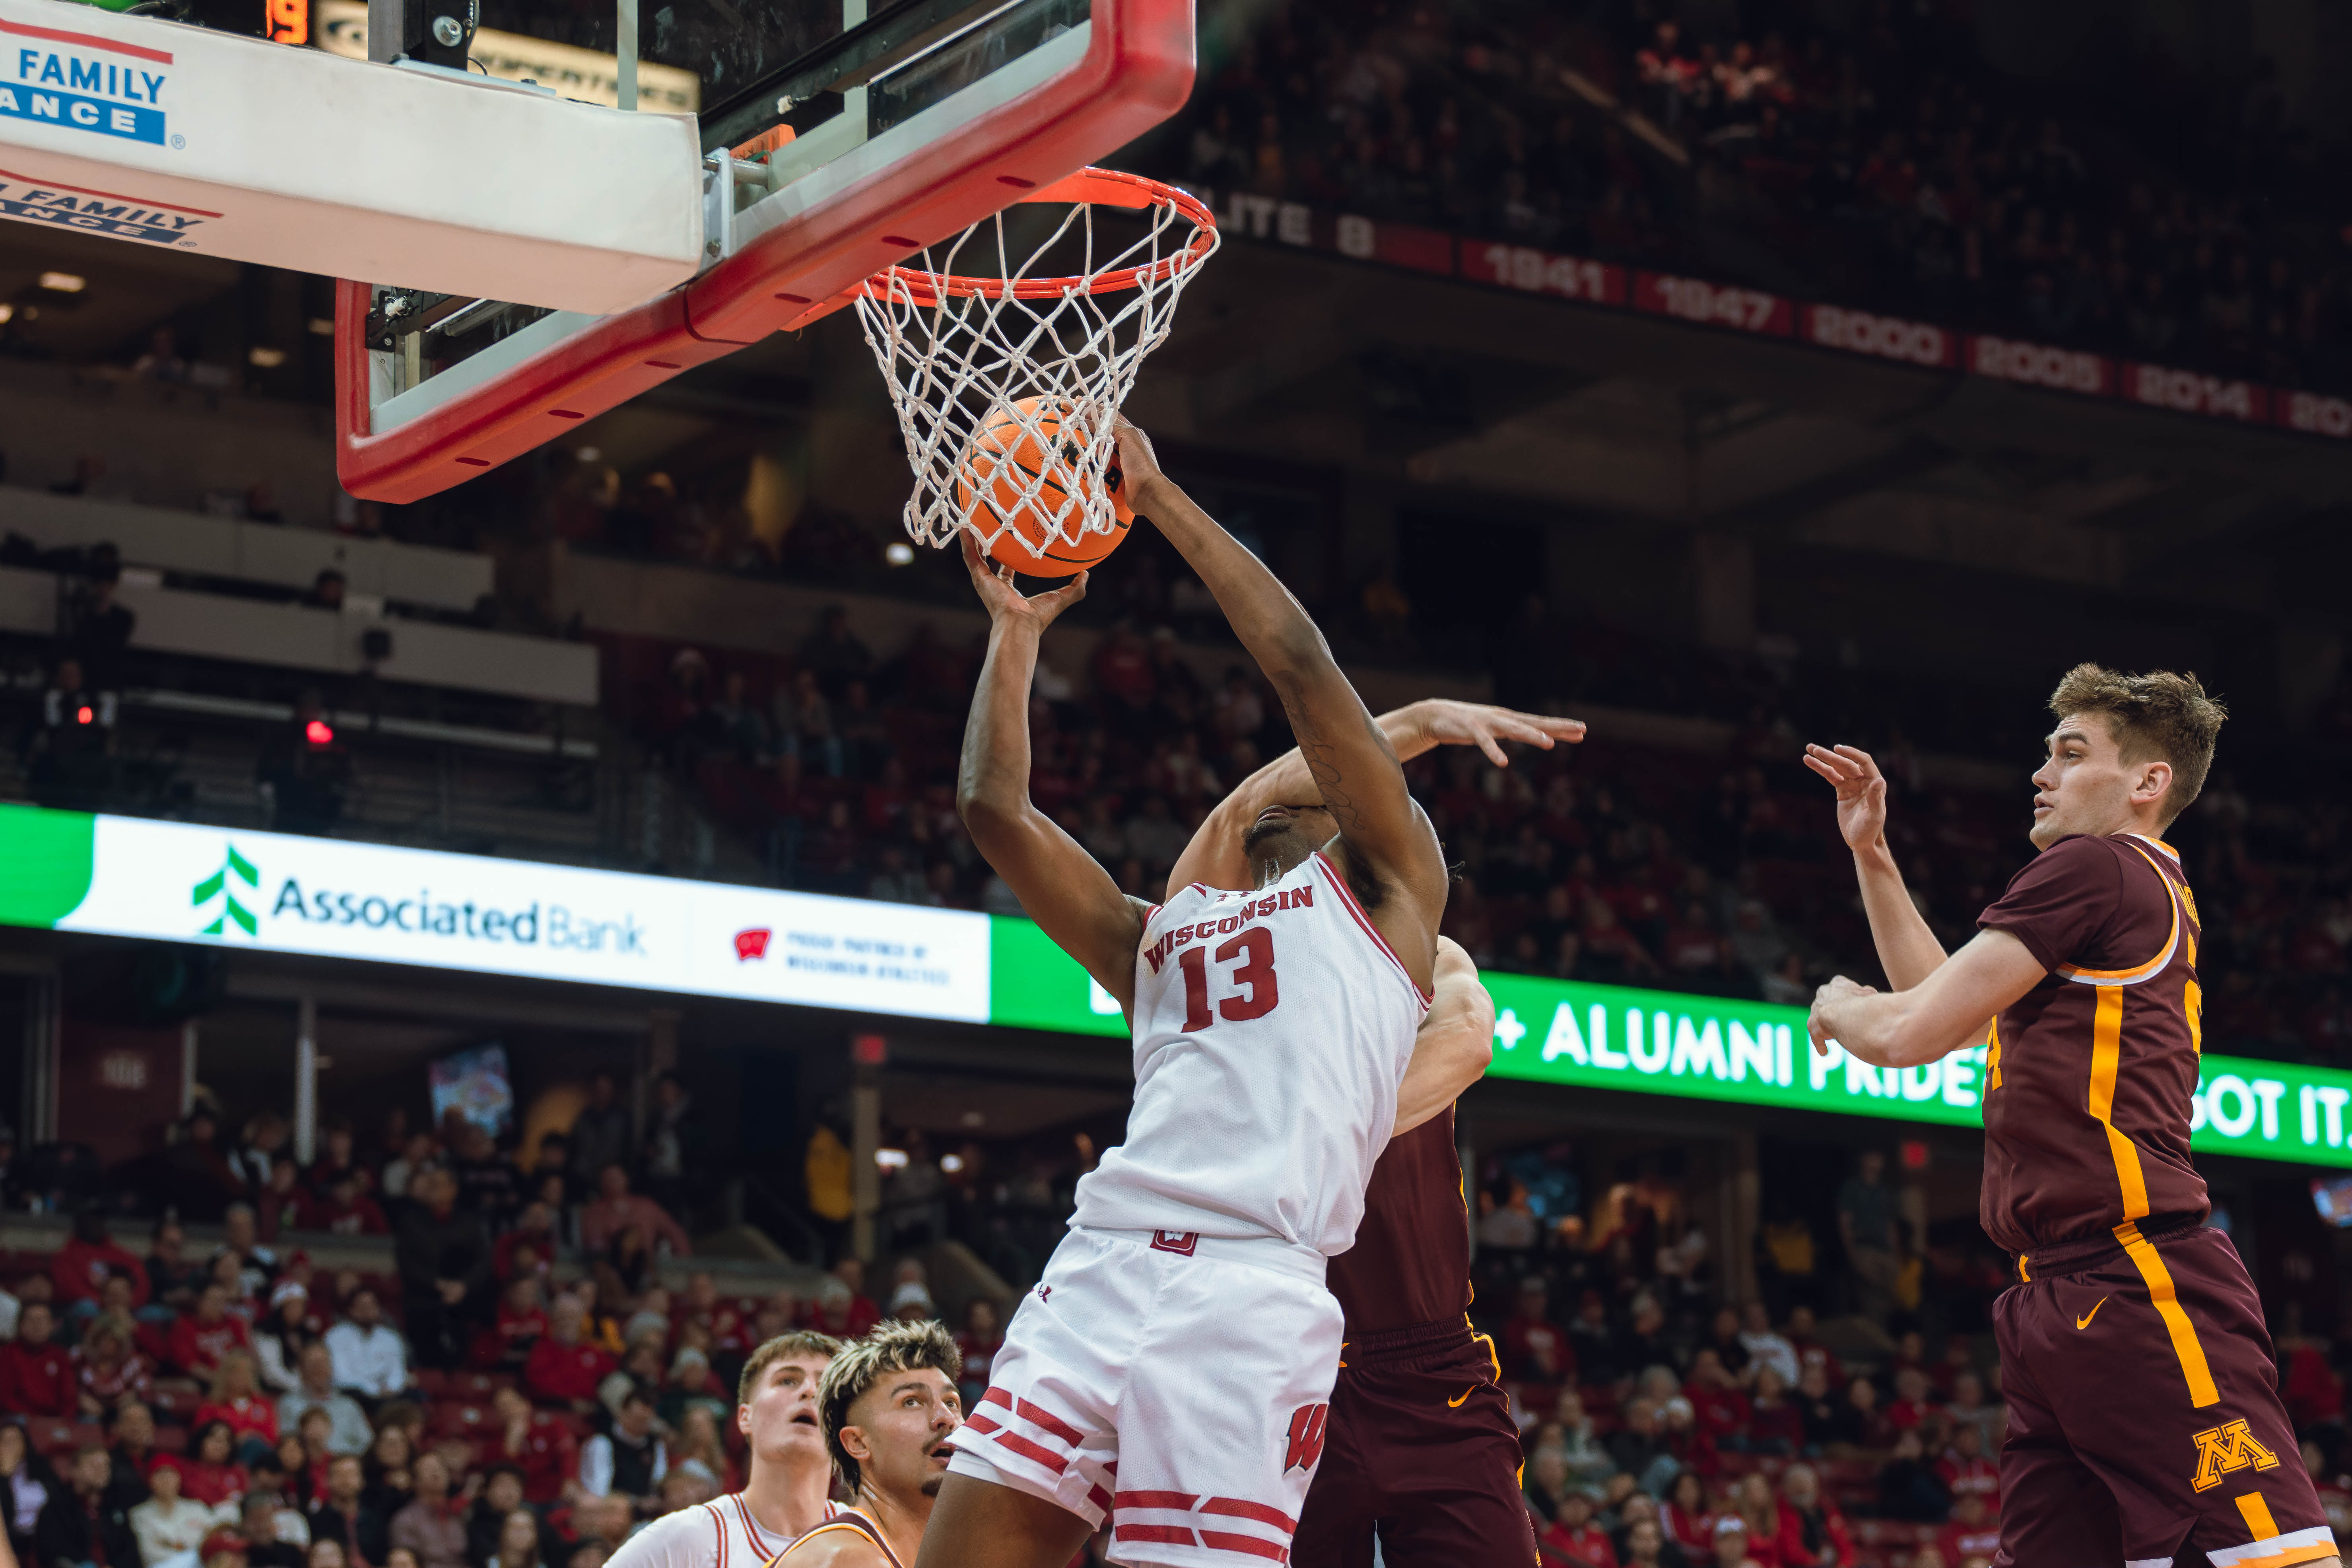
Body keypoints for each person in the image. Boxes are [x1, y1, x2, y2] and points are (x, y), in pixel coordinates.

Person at [928, 417, 1466, 1568]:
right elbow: (995, 811)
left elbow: (1300, 666)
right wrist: (1015, 634)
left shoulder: (1386, 891)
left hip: (1248, 1288)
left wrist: (1161, 503)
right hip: (1102, 1256)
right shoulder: (1158, 930)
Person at [1803, 666, 2338, 1568]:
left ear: (2148, 782)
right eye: (2047, 753)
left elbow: (1911, 1033)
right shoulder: (2126, 887)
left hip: (2138, 1277)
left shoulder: (2097, 866)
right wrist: (1874, 854)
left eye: (2071, 752)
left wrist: (1834, 1002)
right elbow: (1964, 1018)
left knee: (2271, 1557)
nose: (2041, 773)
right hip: (2054, 1296)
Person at [1163, 699, 1573, 1568]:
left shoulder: (1426, 954)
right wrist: (1418, 722)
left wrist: (1303, 1126)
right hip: (1279, 1352)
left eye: (1327, 823)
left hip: (1426, 1361)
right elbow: (1241, 807)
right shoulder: (1205, 951)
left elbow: (1465, 1044)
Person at [602, 1330, 845, 1568]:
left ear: (846, 1428)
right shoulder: (687, 1537)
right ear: (745, 1418)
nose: (810, 1391)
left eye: (825, 1385)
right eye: (787, 1380)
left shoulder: (873, 1541)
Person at [775, 1322, 962, 1568]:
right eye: (912, 1402)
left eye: (951, 1403)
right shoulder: (845, 1559)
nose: (945, 1419)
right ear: (858, 1443)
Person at [394, 1170, 490, 1373]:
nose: (432, 1191)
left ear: (453, 1190)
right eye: (430, 1185)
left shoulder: (469, 1222)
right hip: (424, 1301)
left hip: (463, 1302)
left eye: (438, 1185)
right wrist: (438, 1284)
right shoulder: (411, 1221)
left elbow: (482, 1261)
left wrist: (463, 1285)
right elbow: (406, 1264)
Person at [33, 1446, 138, 1568]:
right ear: (75, 1471)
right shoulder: (55, 1508)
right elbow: (52, 1556)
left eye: (106, 1465)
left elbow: (129, 1552)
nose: (102, 1470)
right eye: (94, 1465)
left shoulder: (116, 1505)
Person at [577, 1392, 666, 1514]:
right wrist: (636, 1502)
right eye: (638, 1419)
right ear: (623, 1413)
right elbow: (600, 1491)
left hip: (647, 1514)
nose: (642, 1425)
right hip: (609, 1512)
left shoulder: (656, 1444)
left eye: (647, 1420)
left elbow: (659, 1482)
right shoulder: (602, 1442)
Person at [277, 1347, 370, 1458]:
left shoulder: (349, 1406)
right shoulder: (289, 1404)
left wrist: (346, 1458)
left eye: (323, 1364)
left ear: (331, 1368)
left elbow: (366, 1443)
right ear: (302, 1370)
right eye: (313, 1365)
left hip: (344, 1465)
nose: (319, 1370)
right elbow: (287, 1444)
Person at [322, 1292, 408, 1404]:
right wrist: (375, 1390)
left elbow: (397, 1373)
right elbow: (341, 1377)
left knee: (416, 1397)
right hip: (354, 1394)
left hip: (388, 1395)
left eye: (372, 1306)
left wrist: (391, 1388)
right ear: (352, 1310)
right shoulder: (336, 1336)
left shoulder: (391, 1338)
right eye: (363, 1306)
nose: (368, 1311)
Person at [130, 1458, 214, 1568]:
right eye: (159, 1473)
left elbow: (212, 1541)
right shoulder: (139, 1515)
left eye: (171, 1473)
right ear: (150, 1480)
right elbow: (149, 1555)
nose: (166, 1479)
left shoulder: (197, 1508)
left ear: (179, 1478)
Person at [304, 1455, 384, 1568]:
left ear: (362, 1480)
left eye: (351, 1474)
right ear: (327, 1480)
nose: (345, 1480)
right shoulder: (316, 1522)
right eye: (339, 1474)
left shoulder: (376, 1520)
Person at [385, 1455, 463, 1568]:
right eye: (429, 1470)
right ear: (416, 1482)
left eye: (440, 1468)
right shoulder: (404, 1521)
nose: (437, 1473)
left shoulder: (460, 1515)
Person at [0, 1303, 76, 1418]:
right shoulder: (7, 1354)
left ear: (52, 1325)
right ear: (20, 1325)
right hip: (17, 1419)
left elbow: (70, 1396)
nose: (37, 1325)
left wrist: (64, 1420)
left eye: (43, 1320)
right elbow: (5, 1396)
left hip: (53, 1421)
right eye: (31, 1320)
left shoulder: (59, 1356)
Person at [0, 1424, 58, 1564]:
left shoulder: (40, 1467)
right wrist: (5, 1475)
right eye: (5, 1441)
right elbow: (5, 1516)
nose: (11, 1446)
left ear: (25, 1443)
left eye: (16, 1440)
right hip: (12, 1541)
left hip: (45, 1541)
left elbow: (58, 1502)